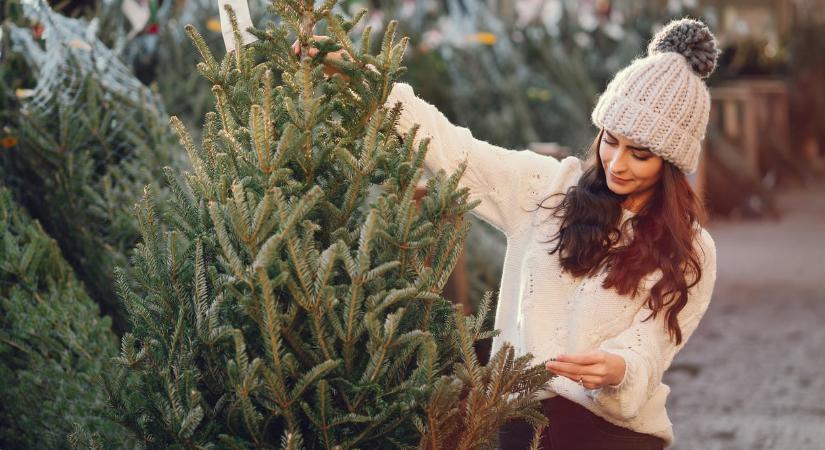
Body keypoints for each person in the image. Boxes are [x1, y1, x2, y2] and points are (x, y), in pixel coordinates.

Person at [296, 17, 719, 450]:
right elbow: (452, 147)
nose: (616, 163)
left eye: (640, 154)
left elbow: (653, 342)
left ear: (670, 163)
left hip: (614, 435)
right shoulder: (546, 190)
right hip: (522, 424)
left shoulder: (691, 250)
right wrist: (363, 75)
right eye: (610, 140)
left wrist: (619, 368)